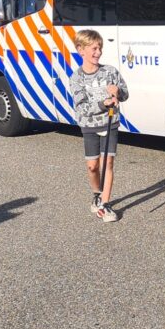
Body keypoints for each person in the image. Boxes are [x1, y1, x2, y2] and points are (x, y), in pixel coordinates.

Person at [70, 29, 129, 223]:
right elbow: (82, 107)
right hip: (89, 125)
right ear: (81, 50)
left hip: (110, 122)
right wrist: (103, 103)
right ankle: (96, 193)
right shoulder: (76, 78)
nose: (98, 52)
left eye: (100, 48)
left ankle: (105, 204)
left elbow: (125, 94)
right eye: (94, 48)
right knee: (92, 166)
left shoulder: (110, 72)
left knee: (108, 163)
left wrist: (117, 92)